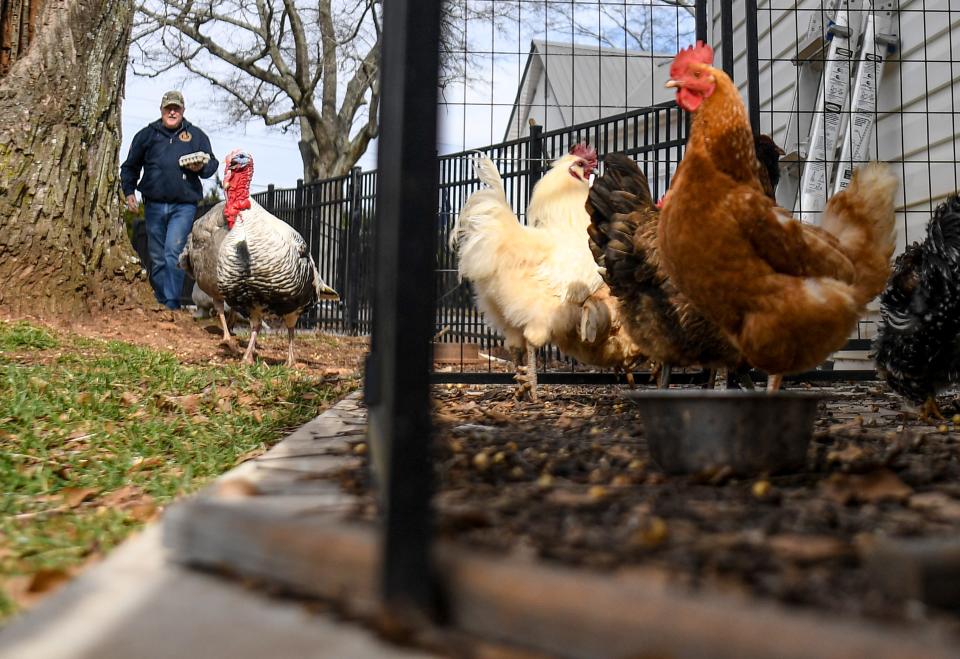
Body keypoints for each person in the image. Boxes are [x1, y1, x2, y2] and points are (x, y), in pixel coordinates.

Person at [121, 90, 219, 310]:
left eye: (176, 108)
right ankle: (161, 300)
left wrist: (201, 166)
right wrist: (129, 192)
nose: (172, 112)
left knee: (173, 252)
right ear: (162, 110)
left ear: (183, 111)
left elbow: (212, 164)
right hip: (153, 205)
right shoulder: (147, 135)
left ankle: (172, 304)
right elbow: (130, 167)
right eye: (169, 108)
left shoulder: (196, 136)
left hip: (183, 206)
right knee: (156, 257)